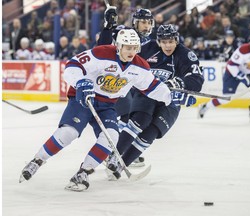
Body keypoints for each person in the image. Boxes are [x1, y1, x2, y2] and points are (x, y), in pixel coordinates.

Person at [19, 29, 172, 192]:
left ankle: (82, 173)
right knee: (68, 133)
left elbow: (152, 86)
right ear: (119, 46)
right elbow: (73, 65)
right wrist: (81, 82)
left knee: (111, 137)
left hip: (107, 105)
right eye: (128, 47)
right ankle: (37, 161)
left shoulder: (140, 66)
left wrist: (171, 96)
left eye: (135, 48)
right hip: (84, 100)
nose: (131, 52)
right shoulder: (102, 53)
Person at [106, 24, 204, 180]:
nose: (168, 45)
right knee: (139, 120)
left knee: (151, 133)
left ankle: (121, 164)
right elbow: (127, 61)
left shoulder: (185, 55)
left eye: (171, 41)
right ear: (158, 41)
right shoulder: (147, 48)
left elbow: (196, 79)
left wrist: (180, 84)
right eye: (164, 42)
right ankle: (113, 156)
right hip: (148, 93)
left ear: (176, 40)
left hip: (171, 101)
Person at [98, 7, 155, 166]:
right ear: (135, 22)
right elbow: (101, 46)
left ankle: (118, 149)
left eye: (149, 22)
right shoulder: (124, 32)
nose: (146, 25)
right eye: (143, 22)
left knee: (134, 118)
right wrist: (109, 26)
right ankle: (112, 151)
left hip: (134, 86)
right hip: (116, 81)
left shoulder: (152, 42)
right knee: (127, 114)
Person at [198, 33, 250, 122]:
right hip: (232, 74)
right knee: (226, 98)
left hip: (249, 73)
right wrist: (242, 77)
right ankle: (205, 106)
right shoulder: (243, 49)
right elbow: (231, 65)